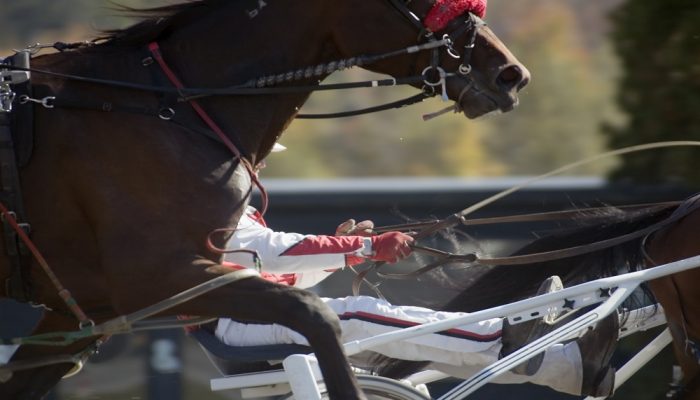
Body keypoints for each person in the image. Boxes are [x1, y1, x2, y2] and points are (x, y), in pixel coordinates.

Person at [210, 143, 618, 397]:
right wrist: (366, 247)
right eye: (255, 158)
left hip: (257, 318)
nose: (260, 167)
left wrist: (351, 253)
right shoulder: (214, 208)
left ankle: (566, 370)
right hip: (238, 325)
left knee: (422, 345)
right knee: (355, 314)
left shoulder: (230, 209)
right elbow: (275, 250)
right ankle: (501, 335)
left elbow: (286, 273)